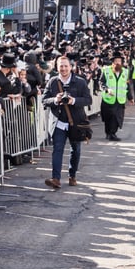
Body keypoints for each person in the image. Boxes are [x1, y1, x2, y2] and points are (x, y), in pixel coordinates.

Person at [42, 54, 93, 188]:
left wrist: (73, 100)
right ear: (57, 67)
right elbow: (44, 100)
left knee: (75, 150)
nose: (63, 69)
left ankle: (72, 175)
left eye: (66, 66)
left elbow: (88, 100)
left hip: (76, 122)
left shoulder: (80, 81)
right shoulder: (53, 82)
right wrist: (55, 100)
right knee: (57, 149)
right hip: (59, 122)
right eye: (61, 66)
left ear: (71, 67)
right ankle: (56, 178)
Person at [100, 52, 129, 141]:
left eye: (119, 61)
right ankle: (108, 133)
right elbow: (101, 83)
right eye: (116, 61)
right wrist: (107, 89)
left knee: (117, 117)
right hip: (108, 99)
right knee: (108, 117)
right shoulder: (106, 70)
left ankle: (113, 133)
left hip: (120, 100)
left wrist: (130, 97)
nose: (117, 63)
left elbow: (126, 85)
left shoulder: (125, 71)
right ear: (112, 62)